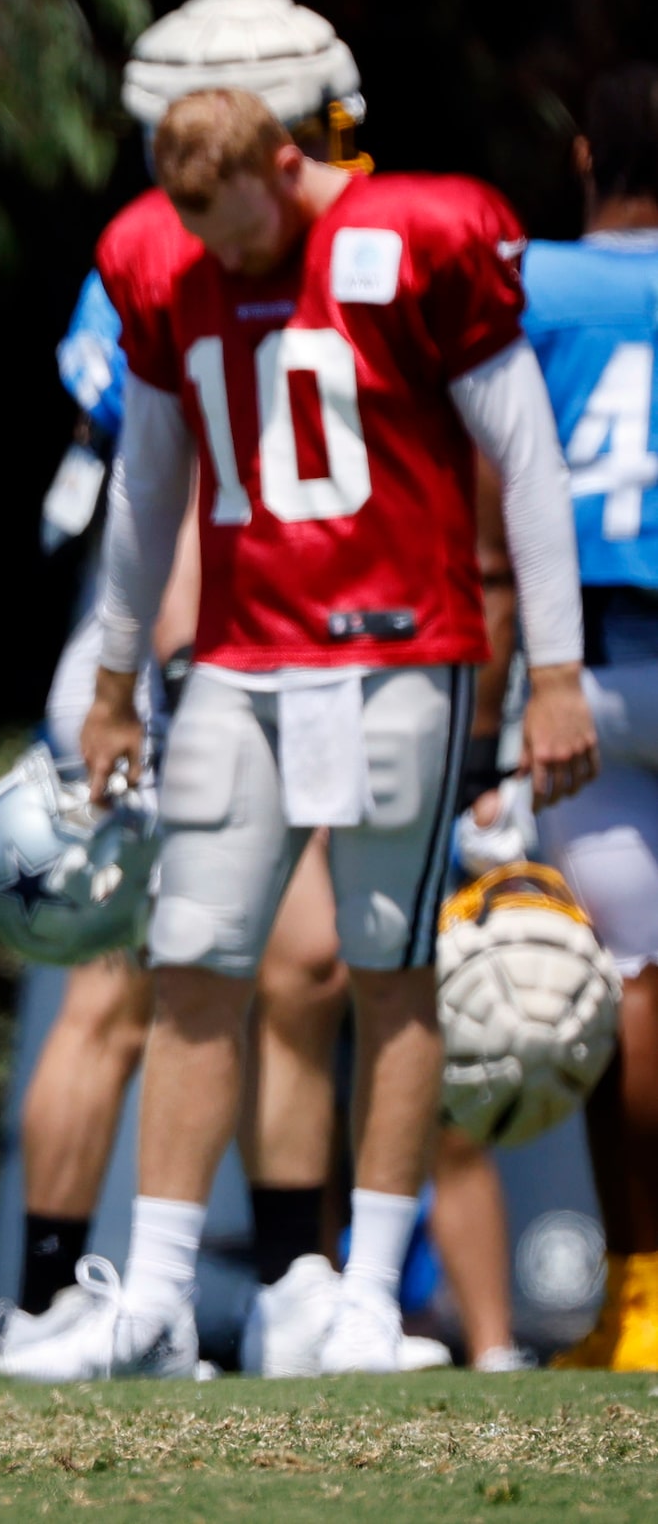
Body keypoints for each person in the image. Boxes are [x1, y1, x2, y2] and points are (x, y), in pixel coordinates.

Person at [67, 83, 596, 1379]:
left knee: (384, 960)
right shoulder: (162, 260)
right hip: (243, 659)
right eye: (189, 221)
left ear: (286, 162)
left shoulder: (413, 236)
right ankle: (153, 1295)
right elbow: (146, 493)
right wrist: (111, 675)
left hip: (394, 654)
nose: (217, 249)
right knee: (193, 953)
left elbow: (526, 461)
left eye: (232, 216)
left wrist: (554, 671)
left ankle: (364, 1294)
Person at [0, 0, 411, 1379]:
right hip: (186, 649)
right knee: (132, 985)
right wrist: (164, 676)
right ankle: (52, 1292)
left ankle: (295, 1275)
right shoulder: (163, 257)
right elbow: (156, 485)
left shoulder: (310, 247)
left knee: (293, 969)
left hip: (274, 649)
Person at [487, 61, 658, 1371]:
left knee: (629, 989)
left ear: (584, 160)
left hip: (582, 666)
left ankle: (641, 1293)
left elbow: (488, 493)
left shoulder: (527, 283)